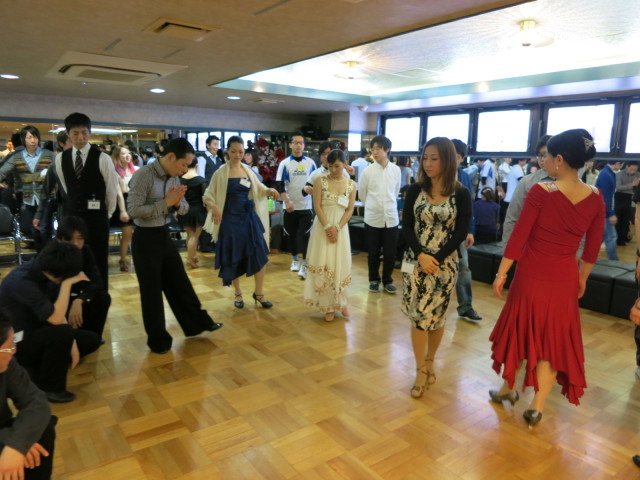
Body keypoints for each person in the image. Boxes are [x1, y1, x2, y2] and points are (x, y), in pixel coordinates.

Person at [488, 129, 605, 427]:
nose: (545, 161)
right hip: (565, 277)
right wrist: (583, 278)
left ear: (560, 160)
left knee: (520, 332)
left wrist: (502, 273)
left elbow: (519, 237)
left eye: (549, 157)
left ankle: (509, 388)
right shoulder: (595, 196)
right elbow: (592, 248)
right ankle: (537, 407)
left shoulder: (542, 191)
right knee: (553, 340)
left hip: (531, 275)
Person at [127, 137, 222, 354]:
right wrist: (166, 203)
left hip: (163, 234)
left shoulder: (174, 177)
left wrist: (178, 204)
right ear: (170, 157)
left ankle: (197, 323)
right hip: (144, 238)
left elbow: (185, 208)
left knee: (179, 282)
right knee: (151, 292)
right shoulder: (143, 175)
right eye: (183, 164)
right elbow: (133, 210)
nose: (185, 169)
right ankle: (158, 340)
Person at [402, 137, 471, 398]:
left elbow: (461, 231)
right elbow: (407, 227)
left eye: (434, 158)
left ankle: (430, 360)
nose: (428, 164)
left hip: (445, 264)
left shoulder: (460, 193)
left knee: (437, 316)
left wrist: (437, 258)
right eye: (425, 158)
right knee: (418, 315)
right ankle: (420, 369)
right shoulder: (415, 189)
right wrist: (421, 255)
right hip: (414, 261)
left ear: (447, 160)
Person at [0, 241, 102, 403]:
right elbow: (56, 318)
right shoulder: (22, 281)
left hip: (38, 330)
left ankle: (40, 366)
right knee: (62, 333)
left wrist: (72, 341)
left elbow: (56, 314)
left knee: (91, 340)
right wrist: (67, 283)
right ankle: (51, 389)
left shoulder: (47, 273)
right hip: (16, 343)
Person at [203, 136, 279, 308]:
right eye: (233, 151)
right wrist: (214, 206)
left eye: (241, 152)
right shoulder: (220, 173)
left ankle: (259, 293)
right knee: (234, 257)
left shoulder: (248, 170)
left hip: (249, 219)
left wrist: (270, 190)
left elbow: (260, 188)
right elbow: (208, 195)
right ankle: (237, 294)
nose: (237, 155)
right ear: (227, 152)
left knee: (260, 254)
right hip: (230, 221)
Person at [54, 112, 119, 288]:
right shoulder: (60, 158)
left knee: (98, 262)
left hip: (97, 220)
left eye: (84, 132)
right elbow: (67, 187)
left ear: (90, 132)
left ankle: (99, 297)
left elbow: (111, 190)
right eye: (75, 133)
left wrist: (106, 215)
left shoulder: (103, 158)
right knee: (73, 261)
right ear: (68, 134)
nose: (81, 138)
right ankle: (74, 296)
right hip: (72, 219)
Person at [0, 314, 57, 480]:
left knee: (41, 431)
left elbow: (36, 401)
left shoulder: (8, 365)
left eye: (13, 343)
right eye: (8, 348)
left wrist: (16, 445)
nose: (14, 351)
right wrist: (10, 439)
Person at [303, 149, 356, 321]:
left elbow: (350, 210)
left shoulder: (351, 185)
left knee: (340, 262)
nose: (333, 170)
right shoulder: (320, 181)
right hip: (322, 227)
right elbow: (317, 206)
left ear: (345, 165)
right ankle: (328, 306)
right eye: (330, 166)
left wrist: (337, 228)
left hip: (341, 229)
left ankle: (341, 302)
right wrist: (327, 227)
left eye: (337, 166)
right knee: (325, 261)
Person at [0, 126, 55, 251]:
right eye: (29, 137)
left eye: (35, 137)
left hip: (46, 199)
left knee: (44, 231)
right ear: (23, 139)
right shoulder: (17, 157)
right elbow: (2, 172)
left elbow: (60, 171)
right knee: (32, 232)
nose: (33, 140)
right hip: (28, 199)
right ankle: (40, 256)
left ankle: (45, 256)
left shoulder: (49, 155)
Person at [56, 216, 111, 340]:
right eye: (70, 239)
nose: (75, 244)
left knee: (103, 297)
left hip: (77, 298)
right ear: (60, 239)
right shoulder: (52, 254)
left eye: (79, 238)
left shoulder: (85, 251)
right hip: (56, 303)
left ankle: (93, 338)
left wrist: (80, 300)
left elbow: (96, 281)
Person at [359, 135, 401, 294]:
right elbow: (362, 195)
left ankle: (388, 280)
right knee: (373, 252)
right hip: (373, 217)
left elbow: (395, 192)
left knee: (390, 253)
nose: (375, 152)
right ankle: (373, 280)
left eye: (378, 148)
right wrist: (373, 206)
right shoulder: (367, 171)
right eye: (373, 149)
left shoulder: (396, 170)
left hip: (391, 217)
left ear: (387, 149)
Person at [275, 132, 316, 279]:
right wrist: (286, 201)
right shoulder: (284, 163)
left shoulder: (310, 163)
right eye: (296, 143)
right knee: (292, 235)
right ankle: (295, 260)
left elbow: (316, 182)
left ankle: (305, 264)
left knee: (305, 236)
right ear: (291, 145)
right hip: (290, 207)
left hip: (306, 207)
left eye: (301, 143)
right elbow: (279, 184)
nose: (299, 145)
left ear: (304, 146)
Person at [502, 135, 553, 245]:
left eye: (545, 155)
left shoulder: (569, 182)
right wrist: (507, 247)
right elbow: (512, 218)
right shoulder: (527, 182)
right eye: (539, 155)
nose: (542, 159)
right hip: (529, 243)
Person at [451, 139, 481, 322]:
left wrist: (470, 230)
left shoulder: (464, 177)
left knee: (463, 267)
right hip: (437, 231)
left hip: (459, 230)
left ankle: (465, 306)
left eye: (456, 156)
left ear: (461, 158)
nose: (451, 158)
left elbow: (469, 206)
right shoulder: (434, 175)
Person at [110, 146, 137, 272]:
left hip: (135, 202)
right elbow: (119, 194)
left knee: (137, 234)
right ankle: (123, 259)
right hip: (123, 203)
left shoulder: (136, 170)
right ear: (117, 156)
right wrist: (123, 210)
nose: (127, 155)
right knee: (127, 234)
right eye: (123, 154)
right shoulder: (114, 172)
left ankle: (138, 257)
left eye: (128, 153)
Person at [178, 157, 207, 268]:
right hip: (198, 211)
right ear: (197, 166)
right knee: (194, 236)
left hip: (184, 210)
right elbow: (205, 198)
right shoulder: (201, 181)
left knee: (190, 235)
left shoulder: (180, 180)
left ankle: (192, 257)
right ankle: (190, 260)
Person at [595, 160, 623, 260]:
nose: (620, 167)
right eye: (621, 165)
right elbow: (606, 196)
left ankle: (589, 258)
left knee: (601, 237)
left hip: (603, 211)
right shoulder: (606, 175)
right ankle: (614, 261)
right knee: (611, 237)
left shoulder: (608, 173)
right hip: (604, 212)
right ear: (618, 163)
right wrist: (611, 214)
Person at [614, 162, 640, 246]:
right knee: (618, 219)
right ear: (627, 167)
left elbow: (636, 188)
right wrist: (632, 185)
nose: (633, 171)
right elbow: (618, 187)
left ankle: (622, 239)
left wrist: (633, 186)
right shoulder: (620, 174)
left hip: (629, 198)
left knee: (626, 219)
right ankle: (616, 239)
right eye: (631, 169)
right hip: (619, 197)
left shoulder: (638, 175)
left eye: (635, 170)